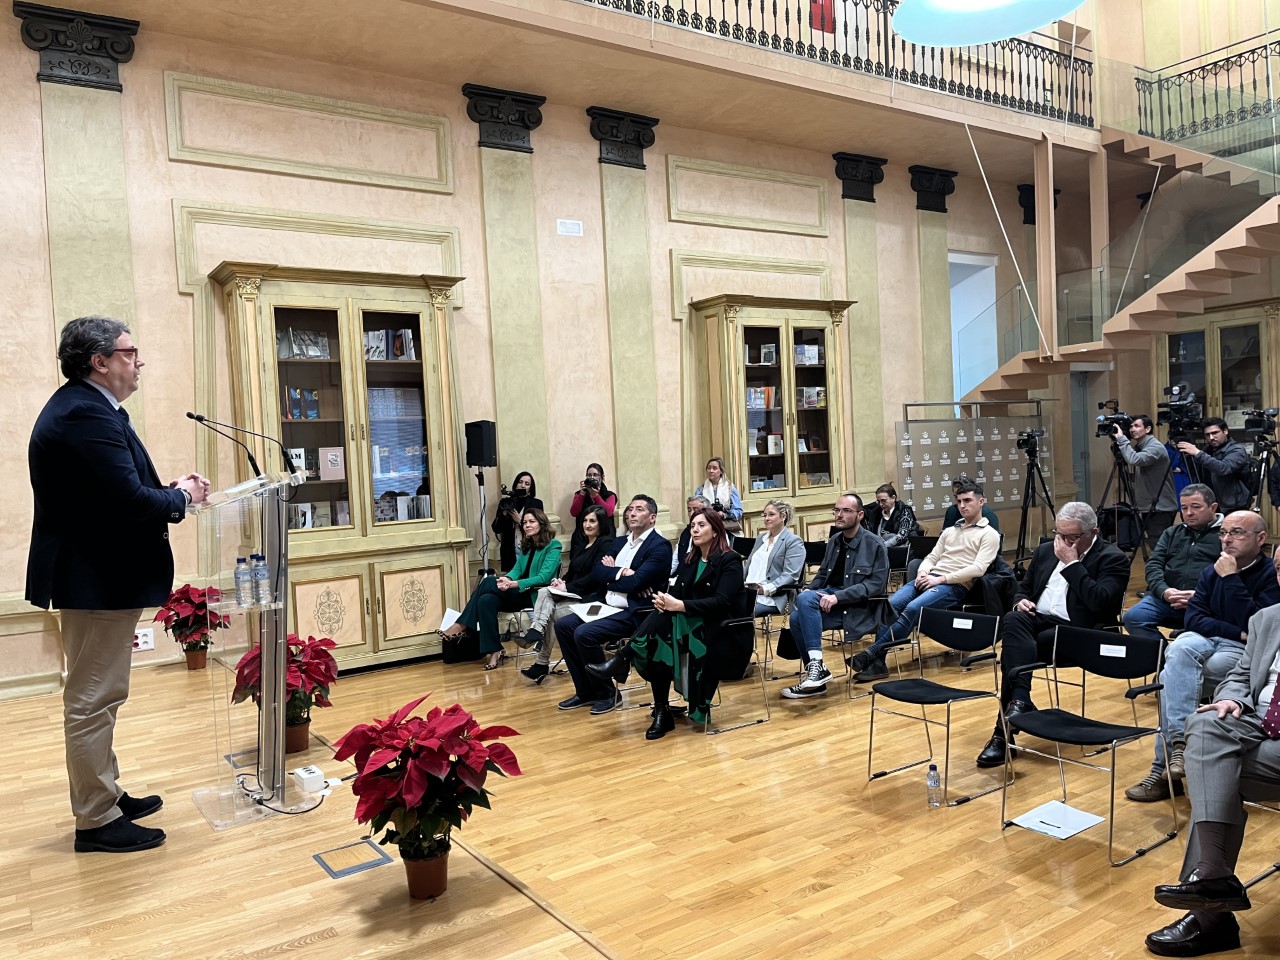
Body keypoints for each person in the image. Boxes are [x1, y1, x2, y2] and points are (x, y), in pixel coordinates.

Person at [27, 316, 210, 854]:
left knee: (100, 694)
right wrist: (182, 500)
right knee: (91, 697)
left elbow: (112, 490)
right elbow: (126, 500)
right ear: (98, 362)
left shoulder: (88, 408)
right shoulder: (85, 413)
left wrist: (170, 490)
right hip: (96, 579)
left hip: (97, 576)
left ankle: (105, 793)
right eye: (130, 352)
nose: (140, 361)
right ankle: (96, 819)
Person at [1143, 602, 1280, 957]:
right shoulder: (1268, 617)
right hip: (1257, 722)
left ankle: (1210, 918)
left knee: (1212, 768)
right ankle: (1213, 876)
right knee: (1204, 726)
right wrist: (1232, 697)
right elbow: (1240, 674)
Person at [1126, 511, 1280, 803]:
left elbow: (1258, 625)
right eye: (1223, 532)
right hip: (1209, 640)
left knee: (1170, 678)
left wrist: (1232, 579)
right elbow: (1194, 618)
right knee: (1179, 652)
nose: (1226, 539)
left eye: (1236, 533)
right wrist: (1232, 628)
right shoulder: (1212, 570)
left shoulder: (1271, 575)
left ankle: (1165, 766)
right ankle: (1180, 749)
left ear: (1260, 539)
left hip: (1243, 652)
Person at [975, 502, 1130, 768]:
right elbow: (1022, 589)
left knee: (1018, 653)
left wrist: (1071, 564)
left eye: (1071, 537)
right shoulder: (1047, 550)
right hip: (1037, 619)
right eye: (1059, 535)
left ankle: (1003, 734)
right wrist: (1020, 602)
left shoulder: (1112, 558)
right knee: (1013, 619)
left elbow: (1100, 604)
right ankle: (1020, 702)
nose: (1063, 543)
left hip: (1079, 631)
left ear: (1093, 532)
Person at [591, 509, 753, 738]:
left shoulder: (730, 560)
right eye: (692, 525)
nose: (694, 530)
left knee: (662, 629)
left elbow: (721, 602)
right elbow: (677, 593)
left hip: (722, 630)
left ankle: (625, 661)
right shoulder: (691, 559)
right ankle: (659, 709)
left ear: (716, 531)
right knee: (660, 636)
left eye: (701, 525)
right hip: (689, 625)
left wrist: (678, 606)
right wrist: (664, 601)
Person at [849, 482, 1001, 682]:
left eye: (968, 501)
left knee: (913, 609)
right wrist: (922, 573)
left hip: (954, 585)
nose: (962, 506)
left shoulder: (989, 534)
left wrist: (939, 579)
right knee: (890, 606)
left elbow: (978, 569)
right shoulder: (950, 531)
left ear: (981, 502)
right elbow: (931, 557)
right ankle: (878, 663)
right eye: (959, 502)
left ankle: (873, 653)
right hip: (930, 578)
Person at [553, 495, 672, 715]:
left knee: (584, 634)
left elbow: (638, 582)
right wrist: (621, 572)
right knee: (563, 625)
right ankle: (585, 690)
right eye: (630, 509)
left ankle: (608, 693)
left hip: (635, 611)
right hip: (607, 604)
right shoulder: (618, 542)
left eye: (639, 509)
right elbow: (598, 573)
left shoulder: (659, 546)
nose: (632, 513)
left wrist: (619, 577)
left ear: (653, 518)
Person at [781, 493, 890, 701]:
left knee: (802, 608)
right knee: (797, 616)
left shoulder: (874, 544)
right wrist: (810, 588)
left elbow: (875, 586)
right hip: (833, 603)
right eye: (837, 510)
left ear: (859, 515)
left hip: (861, 608)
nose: (839, 515)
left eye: (846, 511)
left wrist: (838, 597)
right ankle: (817, 676)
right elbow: (822, 575)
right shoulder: (834, 541)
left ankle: (816, 672)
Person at [442, 507, 561, 669]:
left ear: (542, 523)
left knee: (489, 581)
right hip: (519, 592)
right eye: (525, 522)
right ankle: (494, 650)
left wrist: (514, 584)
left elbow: (544, 577)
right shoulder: (527, 545)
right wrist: (508, 578)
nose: (527, 525)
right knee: (486, 600)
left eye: (532, 522)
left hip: (535, 595)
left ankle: (462, 625)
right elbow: (518, 569)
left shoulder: (553, 546)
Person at [520, 505, 611, 684]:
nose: (587, 524)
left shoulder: (605, 543)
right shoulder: (582, 543)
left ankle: (540, 655)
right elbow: (573, 572)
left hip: (592, 599)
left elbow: (595, 576)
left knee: (550, 611)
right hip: (575, 594)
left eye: (592, 521)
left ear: (601, 523)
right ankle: (539, 647)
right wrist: (561, 581)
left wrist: (567, 587)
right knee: (545, 591)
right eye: (585, 520)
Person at [1121, 484, 1222, 643]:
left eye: (1196, 507)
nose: (1189, 513)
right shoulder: (1172, 533)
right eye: (1184, 508)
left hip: (1208, 603)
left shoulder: (1227, 534)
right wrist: (1164, 591)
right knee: (1134, 617)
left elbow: (1234, 575)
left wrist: (1200, 597)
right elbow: (1154, 565)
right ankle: (1166, 659)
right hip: (1167, 599)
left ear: (1213, 507)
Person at [1112, 413, 1178, 551]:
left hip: (1160, 507)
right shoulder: (1141, 447)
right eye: (1130, 426)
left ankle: (1162, 571)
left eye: (1136, 426)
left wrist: (1122, 440)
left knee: (1158, 545)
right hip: (1151, 505)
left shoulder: (1155, 447)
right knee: (1155, 543)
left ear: (1147, 429)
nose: (1132, 429)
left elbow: (1135, 460)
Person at [743, 499, 806, 617]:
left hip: (773, 597)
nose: (766, 518)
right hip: (748, 592)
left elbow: (791, 575)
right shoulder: (760, 539)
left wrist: (766, 589)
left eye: (771, 514)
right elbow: (749, 566)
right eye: (765, 515)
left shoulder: (793, 541)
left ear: (783, 516)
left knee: (736, 610)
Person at [1176, 419, 1253, 515]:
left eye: (1215, 433)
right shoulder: (1208, 450)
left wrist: (1198, 453)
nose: (1211, 437)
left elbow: (1224, 468)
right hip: (1212, 503)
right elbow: (1194, 473)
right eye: (1207, 435)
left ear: (1225, 431)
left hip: (1233, 505)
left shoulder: (1236, 449)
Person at [491, 471, 542, 572]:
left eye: (527, 484)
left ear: (530, 488)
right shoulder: (506, 502)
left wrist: (521, 521)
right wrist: (504, 514)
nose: (523, 486)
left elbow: (540, 529)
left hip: (529, 548)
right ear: (515, 484)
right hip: (509, 550)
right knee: (510, 581)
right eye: (520, 482)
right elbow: (496, 528)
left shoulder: (536, 503)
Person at [570, 462, 617, 553]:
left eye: (595, 475)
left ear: (602, 477)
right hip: (583, 536)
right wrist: (582, 494)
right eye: (589, 475)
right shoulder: (579, 494)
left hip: (604, 537)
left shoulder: (610, 495)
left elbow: (609, 512)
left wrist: (595, 495)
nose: (592, 478)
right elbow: (574, 512)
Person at [694, 456, 743, 534]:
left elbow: (738, 511)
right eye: (709, 468)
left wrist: (724, 514)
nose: (711, 471)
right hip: (708, 529)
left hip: (727, 528)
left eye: (714, 468)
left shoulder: (730, 488)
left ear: (721, 471)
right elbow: (695, 512)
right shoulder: (700, 490)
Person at [671, 495, 711, 574]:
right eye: (689, 510)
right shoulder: (685, 532)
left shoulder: (713, 532)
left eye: (696, 509)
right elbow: (675, 561)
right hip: (681, 575)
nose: (691, 513)